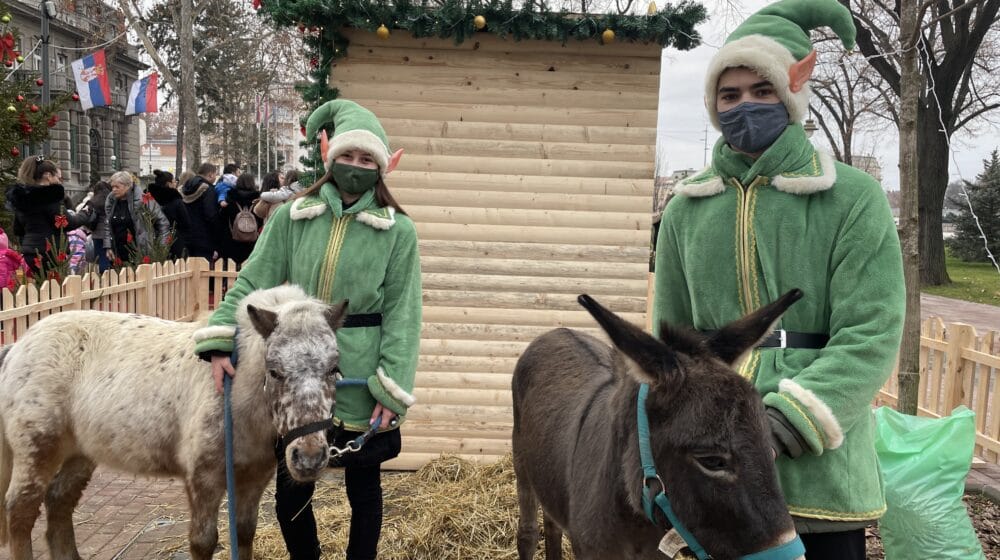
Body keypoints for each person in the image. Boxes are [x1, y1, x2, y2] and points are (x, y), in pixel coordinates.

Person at [652, 1, 904, 559]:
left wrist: (788, 422)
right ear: (715, 106)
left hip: (822, 464)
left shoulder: (852, 199)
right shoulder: (686, 209)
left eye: (762, 91)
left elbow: (872, 332)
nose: (745, 105)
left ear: (791, 95)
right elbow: (672, 341)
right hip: (715, 469)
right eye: (730, 94)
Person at [193, 99, 420, 560]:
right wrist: (219, 336)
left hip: (361, 370)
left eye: (366, 160)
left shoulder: (398, 232)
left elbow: (403, 313)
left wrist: (391, 385)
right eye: (347, 156)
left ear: (380, 167)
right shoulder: (294, 216)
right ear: (329, 156)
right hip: (297, 373)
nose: (355, 167)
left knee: (363, 485)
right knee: (292, 490)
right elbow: (252, 279)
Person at [7, 156, 93, 274]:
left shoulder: (22, 198)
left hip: (30, 253)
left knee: (41, 288)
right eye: (57, 177)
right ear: (47, 175)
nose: (59, 181)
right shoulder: (50, 197)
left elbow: (17, 229)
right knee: (63, 288)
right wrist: (85, 213)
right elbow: (66, 223)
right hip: (51, 252)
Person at [104, 171, 170, 265]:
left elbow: (162, 222)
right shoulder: (111, 202)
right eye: (112, 187)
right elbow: (108, 224)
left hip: (141, 254)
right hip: (118, 254)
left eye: (117, 187)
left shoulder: (143, 199)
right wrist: (108, 246)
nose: (114, 190)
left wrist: (161, 248)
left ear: (128, 186)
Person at [217, 172, 261, 265]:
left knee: (231, 270)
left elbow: (222, 218)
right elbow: (260, 220)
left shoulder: (230, 197)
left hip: (231, 241)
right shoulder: (257, 200)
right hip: (252, 242)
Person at [147, 169, 192, 259]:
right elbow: (186, 223)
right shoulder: (176, 201)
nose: (176, 183)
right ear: (169, 184)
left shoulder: (149, 199)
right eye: (174, 181)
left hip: (152, 240)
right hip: (175, 241)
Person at [181, 163, 221, 260]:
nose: (215, 177)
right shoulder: (208, 190)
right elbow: (211, 215)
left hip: (187, 236)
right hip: (205, 238)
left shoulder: (185, 188)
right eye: (215, 174)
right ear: (210, 174)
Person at [76, 181, 113, 271]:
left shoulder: (93, 202)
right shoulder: (111, 201)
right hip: (110, 234)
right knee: (111, 257)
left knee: (101, 258)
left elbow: (83, 214)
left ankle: (103, 276)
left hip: (96, 234)